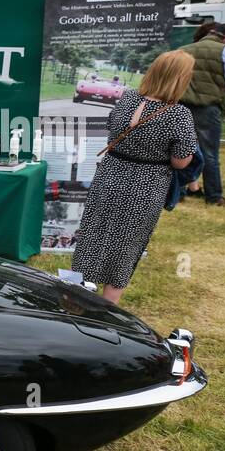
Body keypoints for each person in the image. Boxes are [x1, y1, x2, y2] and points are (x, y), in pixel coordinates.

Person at [72, 50, 196, 306]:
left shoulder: (127, 99)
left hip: (109, 175)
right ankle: (107, 312)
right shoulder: (178, 114)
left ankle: (74, 303)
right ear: (180, 79)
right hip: (145, 185)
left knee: (91, 240)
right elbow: (181, 160)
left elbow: (111, 130)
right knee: (125, 249)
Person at [178, 21, 225, 206]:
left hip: (182, 106)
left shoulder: (185, 48)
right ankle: (214, 197)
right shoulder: (224, 49)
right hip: (207, 107)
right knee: (209, 153)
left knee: (180, 149)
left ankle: (178, 192)